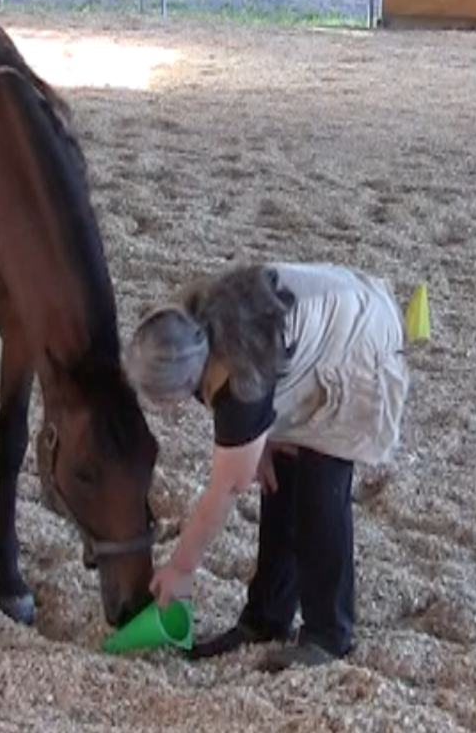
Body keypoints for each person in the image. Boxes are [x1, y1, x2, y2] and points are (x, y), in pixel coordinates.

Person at [124, 260, 409, 671]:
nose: (161, 406)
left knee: (319, 492)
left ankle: (328, 635)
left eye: (162, 397)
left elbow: (227, 487)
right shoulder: (180, 327)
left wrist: (181, 568)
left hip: (357, 340)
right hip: (299, 340)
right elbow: (258, 397)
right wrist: (261, 441)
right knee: (279, 483)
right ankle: (266, 618)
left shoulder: (238, 377)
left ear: (187, 381)